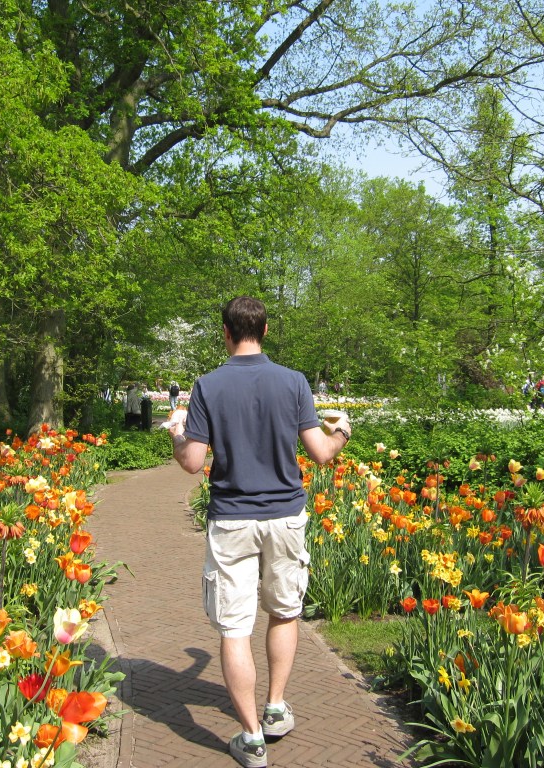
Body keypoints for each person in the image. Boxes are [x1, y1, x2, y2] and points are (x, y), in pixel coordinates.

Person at [168, 296, 351, 768]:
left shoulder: (207, 385)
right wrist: (343, 431)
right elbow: (322, 454)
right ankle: (275, 707)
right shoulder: (292, 382)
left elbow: (192, 463)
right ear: (265, 330)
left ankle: (251, 739)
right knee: (284, 612)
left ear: (225, 333)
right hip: (285, 517)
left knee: (234, 627)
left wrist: (176, 434)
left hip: (231, 519)